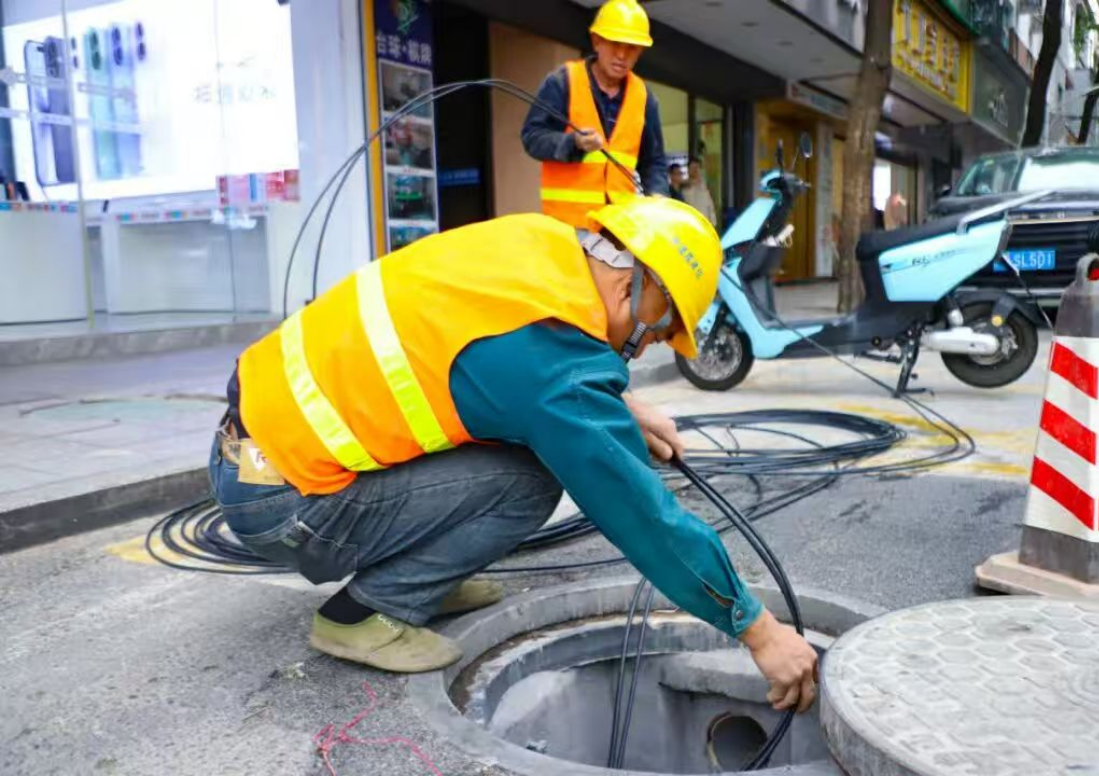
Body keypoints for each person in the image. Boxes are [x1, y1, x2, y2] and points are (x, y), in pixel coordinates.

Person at [209, 197, 819, 716]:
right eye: (659, 331)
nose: (645, 348)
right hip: (284, 506)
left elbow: (501, 358)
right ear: (639, 289)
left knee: (516, 440)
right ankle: (365, 614)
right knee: (530, 482)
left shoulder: (538, 242)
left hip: (246, 450)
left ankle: (422, 576)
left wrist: (624, 408)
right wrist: (758, 631)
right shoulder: (556, 372)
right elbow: (643, 514)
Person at [522, 0, 669, 227]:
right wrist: (573, 143)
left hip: (618, 227)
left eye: (631, 47)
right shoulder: (563, 82)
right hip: (568, 224)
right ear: (596, 41)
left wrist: (658, 195)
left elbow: (653, 161)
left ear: (640, 51)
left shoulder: (644, 98)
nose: (622, 54)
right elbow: (532, 137)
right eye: (615, 43)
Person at [682, 158, 717, 228]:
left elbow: (710, 206)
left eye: (697, 167)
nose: (695, 170)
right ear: (688, 170)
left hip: (704, 223)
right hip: (688, 224)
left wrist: (713, 223)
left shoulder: (705, 186)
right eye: (692, 168)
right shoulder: (683, 186)